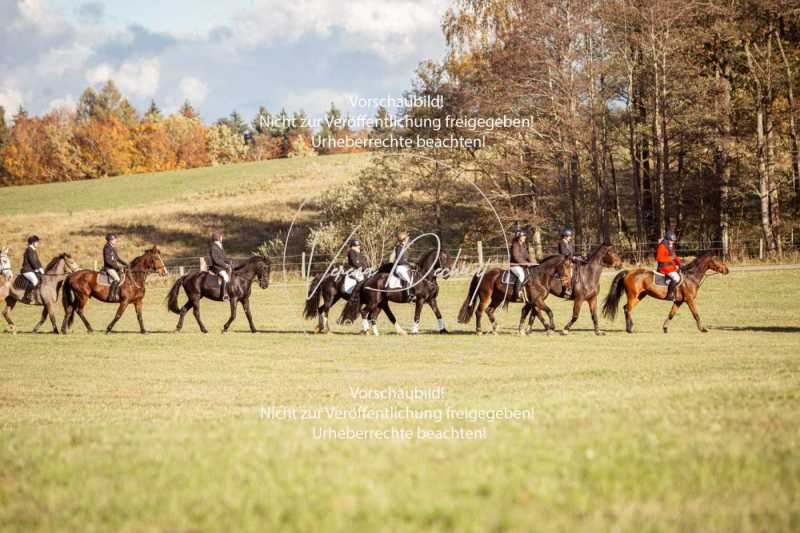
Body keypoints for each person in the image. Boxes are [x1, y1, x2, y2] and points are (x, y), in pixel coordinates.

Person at [510, 228, 537, 300]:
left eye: (525, 236)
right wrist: (526, 263)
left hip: (522, 265)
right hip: (515, 265)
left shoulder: (524, 245)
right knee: (521, 275)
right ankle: (517, 293)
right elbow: (516, 257)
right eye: (523, 236)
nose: (525, 237)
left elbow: (527, 256)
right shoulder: (515, 245)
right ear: (518, 237)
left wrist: (534, 262)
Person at [655, 230, 682, 301]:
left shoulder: (671, 246)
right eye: (671, 240)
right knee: (676, 278)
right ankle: (670, 295)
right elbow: (659, 258)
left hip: (671, 267)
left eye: (673, 241)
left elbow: (674, 256)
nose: (672, 242)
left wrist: (679, 262)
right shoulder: (662, 246)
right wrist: (670, 259)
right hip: (664, 267)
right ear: (667, 239)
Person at [103, 234, 129, 301]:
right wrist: (117, 267)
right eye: (114, 239)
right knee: (117, 279)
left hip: (113, 267)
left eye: (115, 239)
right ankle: (111, 295)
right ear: (110, 240)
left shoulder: (113, 247)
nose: (116, 240)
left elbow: (117, 258)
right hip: (109, 268)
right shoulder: (106, 248)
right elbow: (107, 260)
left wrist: (126, 264)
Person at [557, 228, 582, 297]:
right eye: (569, 236)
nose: (570, 237)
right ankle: (567, 288)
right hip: (564, 262)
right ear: (565, 236)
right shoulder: (561, 243)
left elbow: (572, 253)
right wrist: (572, 257)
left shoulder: (569, 244)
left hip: (570, 261)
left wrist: (577, 257)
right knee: (569, 273)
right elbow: (564, 253)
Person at [392, 231, 415, 302]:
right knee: (408, 279)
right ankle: (409, 296)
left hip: (405, 267)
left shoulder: (405, 248)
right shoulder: (399, 247)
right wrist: (409, 264)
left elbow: (406, 259)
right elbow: (399, 261)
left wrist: (412, 263)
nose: (408, 239)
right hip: (400, 268)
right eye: (407, 238)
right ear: (404, 239)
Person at [209, 231, 232, 300]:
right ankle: (223, 295)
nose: (222, 238)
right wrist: (225, 265)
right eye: (221, 236)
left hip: (222, 266)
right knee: (225, 277)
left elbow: (224, 257)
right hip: (217, 268)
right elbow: (216, 260)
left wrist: (230, 262)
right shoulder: (213, 247)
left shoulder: (220, 246)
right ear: (218, 238)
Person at [21, 235, 44, 303]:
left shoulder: (34, 250)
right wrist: (37, 268)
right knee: (35, 281)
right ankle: (27, 295)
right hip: (27, 270)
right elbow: (32, 261)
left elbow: (37, 261)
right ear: (33, 242)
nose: (38, 243)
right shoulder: (29, 250)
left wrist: (41, 268)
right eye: (37, 242)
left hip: (32, 270)